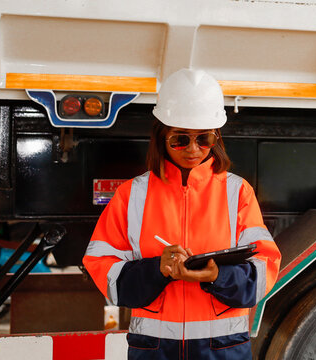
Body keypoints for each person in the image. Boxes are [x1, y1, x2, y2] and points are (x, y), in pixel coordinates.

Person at [82, 68, 281, 359]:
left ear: (216, 138)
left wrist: (217, 275)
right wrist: (157, 270)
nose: (192, 149)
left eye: (203, 139)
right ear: (161, 137)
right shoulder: (131, 194)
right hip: (155, 349)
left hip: (222, 349)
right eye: (180, 139)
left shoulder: (238, 192)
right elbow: (104, 271)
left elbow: (263, 272)